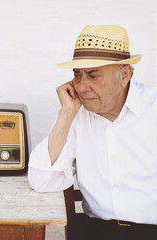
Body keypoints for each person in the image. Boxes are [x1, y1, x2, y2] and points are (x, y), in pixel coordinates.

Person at [28, 25, 157, 240]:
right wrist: (66, 113)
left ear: (124, 74)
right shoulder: (77, 113)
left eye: (93, 76)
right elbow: (42, 181)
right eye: (77, 76)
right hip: (96, 232)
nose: (81, 86)